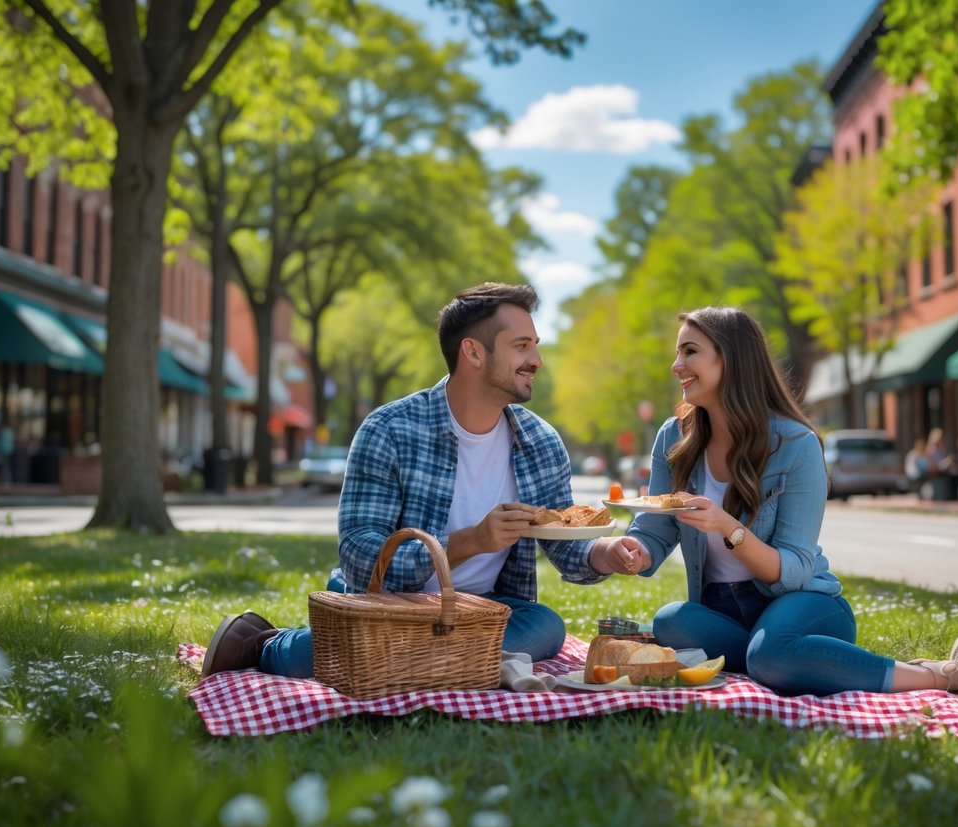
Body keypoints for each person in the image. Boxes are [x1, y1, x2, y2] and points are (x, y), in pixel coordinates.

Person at [201, 283, 638, 679]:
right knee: (329, 654)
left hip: (481, 611)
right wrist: (469, 541)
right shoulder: (389, 429)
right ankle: (268, 645)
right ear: (473, 352)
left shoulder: (539, 441)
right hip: (384, 604)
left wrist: (607, 552)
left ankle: (405, 657)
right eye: (522, 346)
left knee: (546, 628)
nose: (536, 361)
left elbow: (564, 543)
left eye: (535, 346)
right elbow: (358, 553)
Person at [589, 307, 958, 700]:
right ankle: (796, 661)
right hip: (722, 610)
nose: (676, 365)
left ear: (731, 360)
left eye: (689, 352)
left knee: (771, 653)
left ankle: (946, 674)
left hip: (802, 603)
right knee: (671, 621)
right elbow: (657, 526)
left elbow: (795, 567)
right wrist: (637, 549)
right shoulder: (674, 437)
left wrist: (727, 527)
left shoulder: (796, 445)